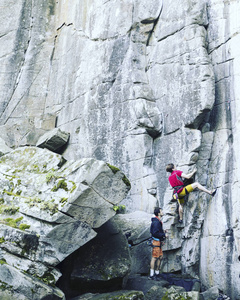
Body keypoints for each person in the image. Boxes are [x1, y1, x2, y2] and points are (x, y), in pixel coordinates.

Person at [149, 207, 167, 280]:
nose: (162, 212)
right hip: (156, 241)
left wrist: (163, 232)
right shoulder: (156, 222)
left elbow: (156, 231)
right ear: (159, 213)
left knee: (160, 257)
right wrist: (164, 235)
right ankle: (151, 275)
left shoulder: (157, 221)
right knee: (154, 258)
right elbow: (155, 233)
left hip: (158, 242)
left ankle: (157, 273)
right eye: (161, 211)